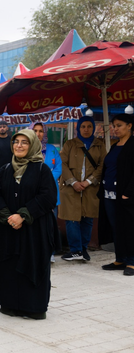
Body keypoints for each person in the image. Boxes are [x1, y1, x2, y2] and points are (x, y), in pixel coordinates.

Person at [0, 129, 58, 320]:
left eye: (24, 142)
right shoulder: (5, 169)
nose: (19, 146)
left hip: (34, 229)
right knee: (9, 266)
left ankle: (33, 307)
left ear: (33, 145)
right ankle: (10, 304)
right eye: (16, 142)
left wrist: (23, 215)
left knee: (33, 262)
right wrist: (8, 216)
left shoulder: (41, 169)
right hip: (9, 228)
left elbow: (48, 198)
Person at [59, 116, 106, 261]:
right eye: (83, 127)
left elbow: (102, 166)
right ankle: (75, 250)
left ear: (93, 128)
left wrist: (88, 182)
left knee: (88, 219)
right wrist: (73, 182)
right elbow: (62, 164)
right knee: (71, 219)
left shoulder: (99, 145)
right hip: (71, 188)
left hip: (90, 188)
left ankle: (83, 249)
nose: (86, 130)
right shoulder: (70, 144)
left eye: (89, 126)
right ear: (78, 128)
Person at [99, 114, 134, 275]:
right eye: (114, 125)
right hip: (109, 194)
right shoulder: (114, 146)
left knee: (129, 228)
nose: (116, 128)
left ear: (130, 126)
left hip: (125, 196)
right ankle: (120, 258)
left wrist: (128, 193)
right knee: (116, 228)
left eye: (119, 125)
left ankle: (132, 261)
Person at [29, 122, 63, 263]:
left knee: (50, 223)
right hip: (32, 193)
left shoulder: (52, 149)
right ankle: (34, 252)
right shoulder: (26, 148)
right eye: (35, 130)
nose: (38, 134)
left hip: (50, 192)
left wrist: (45, 180)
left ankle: (50, 252)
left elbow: (58, 167)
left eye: (41, 131)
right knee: (33, 223)